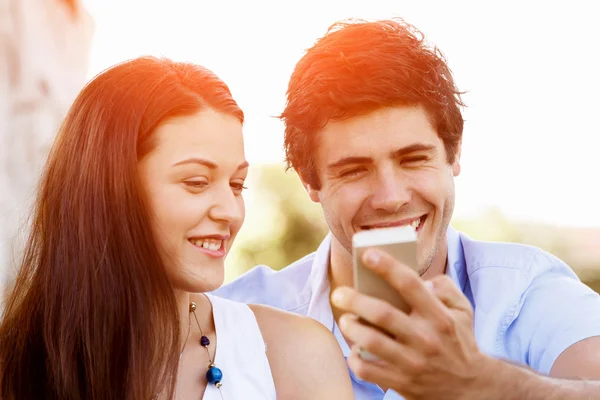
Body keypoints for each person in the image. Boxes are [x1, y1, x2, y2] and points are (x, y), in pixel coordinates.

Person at [214, 18, 600, 399]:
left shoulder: (527, 293)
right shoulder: (236, 317)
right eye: (354, 169)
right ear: (310, 181)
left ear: (454, 154)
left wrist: (482, 382)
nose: (391, 197)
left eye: (413, 159)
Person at [0, 56, 354, 400]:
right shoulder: (15, 366)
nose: (230, 212)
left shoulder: (296, 355)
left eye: (236, 185)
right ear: (108, 189)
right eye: (197, 182)